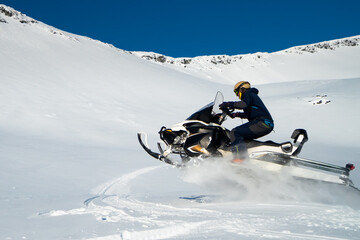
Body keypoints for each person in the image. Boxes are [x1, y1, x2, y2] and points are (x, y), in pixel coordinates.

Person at [219, 81, 274, 161]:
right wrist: (235, 114)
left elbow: (243, 104)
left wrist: (228, 104)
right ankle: (250, 157)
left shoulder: (248, 94)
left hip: (262, 122)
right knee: (242, 137)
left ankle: (239, 159)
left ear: (242, 89)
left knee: (235, 132)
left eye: (236, 92)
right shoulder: (252, 96)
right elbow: (250, 114)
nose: (237, 95)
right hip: (265, 123)